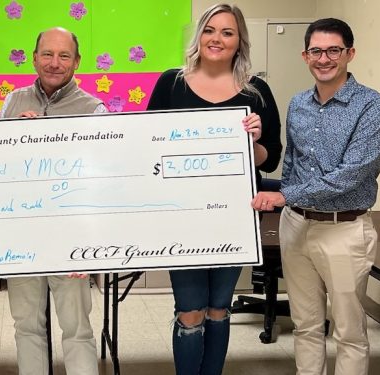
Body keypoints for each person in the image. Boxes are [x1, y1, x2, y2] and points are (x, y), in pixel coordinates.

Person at [252, 18, 380, 375]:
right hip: (296, 225)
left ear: (350, 53)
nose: (324, 58)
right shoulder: (298, 104)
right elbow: (292, 165)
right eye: (316, 51)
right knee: (306, 325)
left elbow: (351, 174)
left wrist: (283, 196)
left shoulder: (372, 106)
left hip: (343, 229)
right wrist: (284, 199)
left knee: (348, 331)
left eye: (334, 50)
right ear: (305, 55)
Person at [147, 4, 282, 374]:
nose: (217, 39)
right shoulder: (170, 84)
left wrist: (253, 142)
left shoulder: (257, 93)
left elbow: (269, 158)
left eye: (227, 32)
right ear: (199, 36)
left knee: (220, 307)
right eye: (210, 30)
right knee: (190, 311)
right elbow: (147, 146)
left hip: (234, 218)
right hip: (182, 218)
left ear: (240, 42)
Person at [0, 27, 105, 375]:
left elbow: (102, 180)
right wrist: (13, 136)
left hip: (71, 237)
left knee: (76, 328)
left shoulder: (94, 109)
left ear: (77, 61)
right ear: (34, 58)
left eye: (63, 56)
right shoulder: (13, 102)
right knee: (26, 325)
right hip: (22, 236)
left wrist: (90, 243)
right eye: (47, 54)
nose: (54, 63)